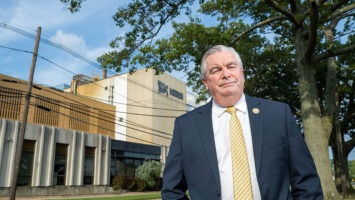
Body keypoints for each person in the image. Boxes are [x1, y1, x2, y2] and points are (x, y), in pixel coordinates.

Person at [161, 45, 323, 200]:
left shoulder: (278, 115)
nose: (226, 74)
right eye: (216, 70)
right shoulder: (186, 126)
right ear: (206, 82)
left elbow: (306, 181)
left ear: (242, 73)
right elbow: (171, 190)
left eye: (231, 66)